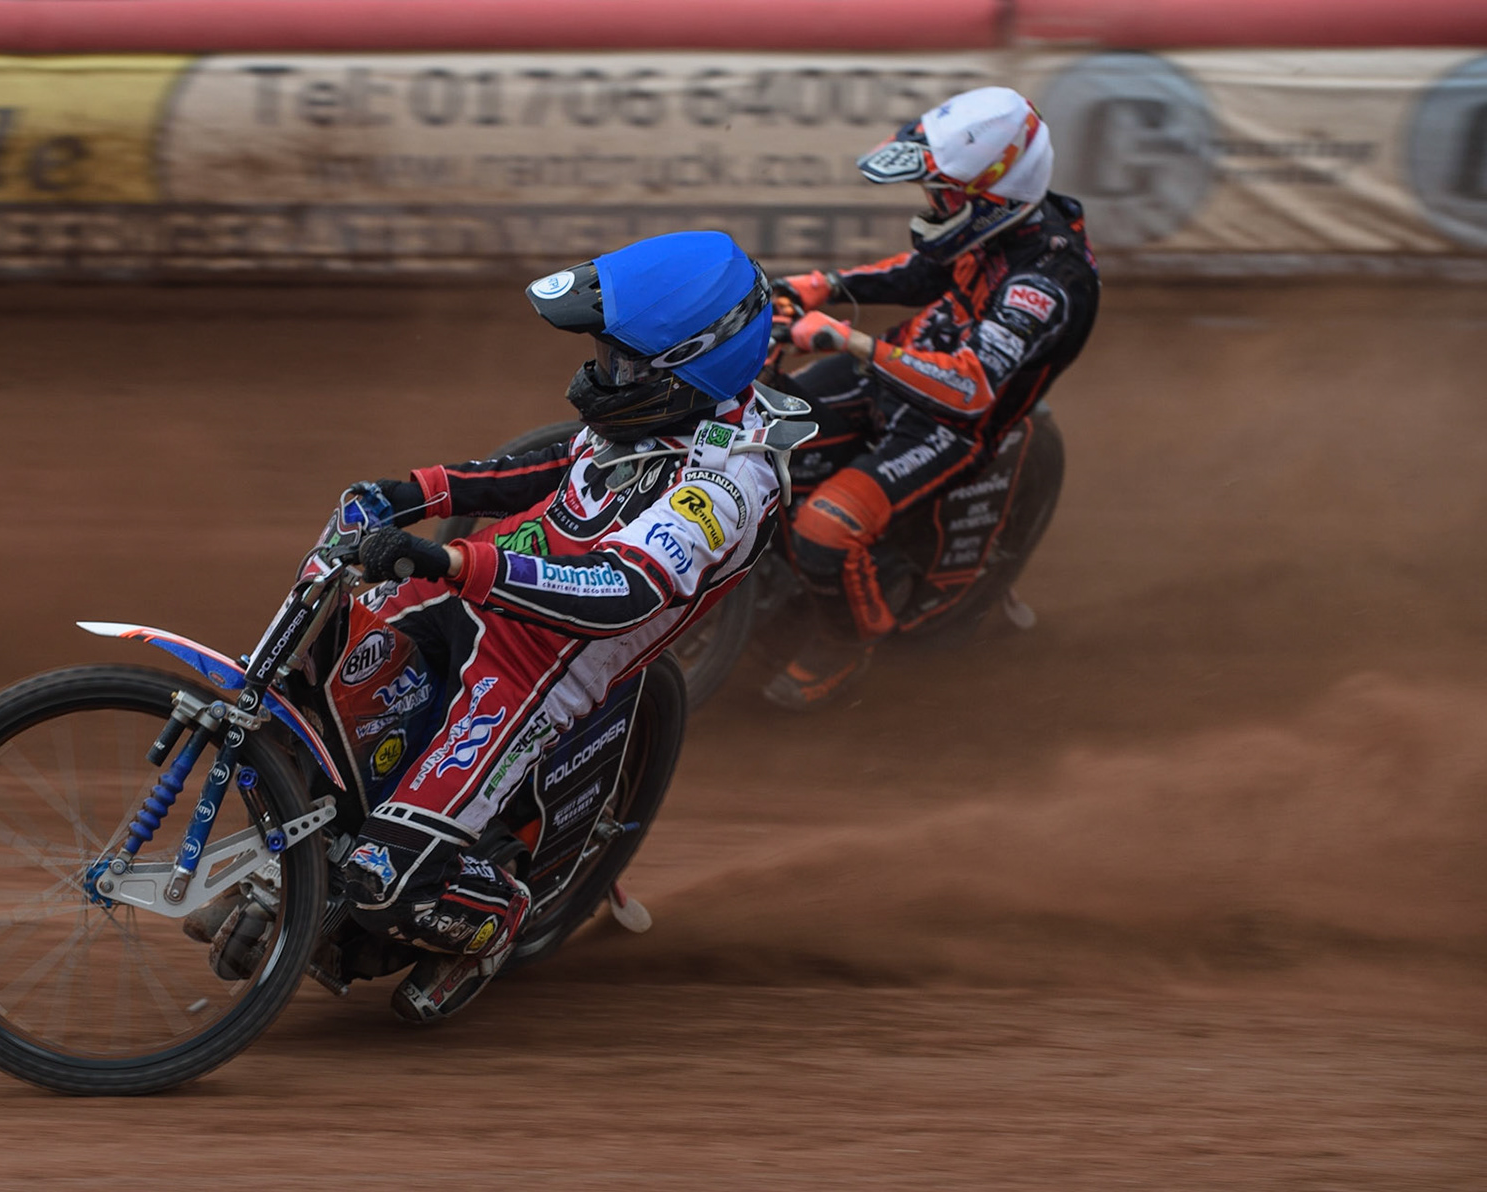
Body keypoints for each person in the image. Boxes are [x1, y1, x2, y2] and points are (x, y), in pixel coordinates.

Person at [322, 230, 779, 1022]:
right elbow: (554, 465)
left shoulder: (727, 483)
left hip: (533, 671)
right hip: (474, 593)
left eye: (621, 361)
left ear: (693, 364)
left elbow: (621, 593)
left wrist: (460, 565)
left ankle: (500, 919)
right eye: (604, 352)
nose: (602, 372)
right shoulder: (647, 417)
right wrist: (419, 492)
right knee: (322, 682)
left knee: (379, 882)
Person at [760, 85, 1100, 710]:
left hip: (952, 425)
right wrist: (823, 284)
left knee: (824, 533)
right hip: (898, 368)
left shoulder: (1047, 281)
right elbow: (922, 273)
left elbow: (970, 389)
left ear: (992, 195)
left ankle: (846, 644)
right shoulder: (1005, 224)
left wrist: (849, 342)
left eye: (943, 196)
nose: (930, 204)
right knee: (760, 435)